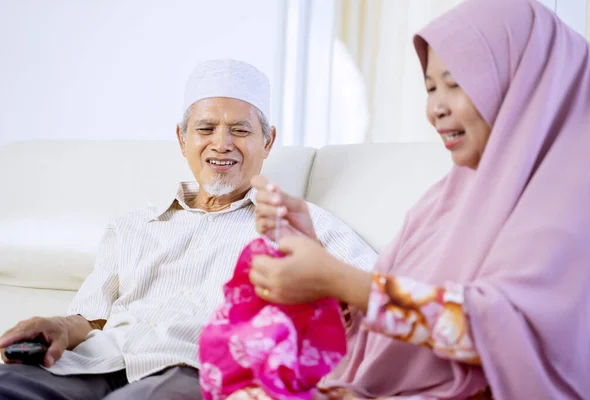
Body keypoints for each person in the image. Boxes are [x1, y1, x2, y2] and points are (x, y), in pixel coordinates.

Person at [247, 0, 590, 398]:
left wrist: (337, 277)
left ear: (524, 85)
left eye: (456, 84)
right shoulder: (450, 196)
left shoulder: (575, 203)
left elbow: (503, 335)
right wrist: (313, 258)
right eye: (431, 87)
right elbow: (383, 324)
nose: (435, 109)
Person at [0, 59, 376, 400]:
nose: (222, 143)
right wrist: (58, 326)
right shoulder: (131, 226)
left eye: (240, 130)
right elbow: (90, 316)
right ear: (183, 140)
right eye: (206, 128)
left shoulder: (296, 222)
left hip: (193, 372)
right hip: (96, 362)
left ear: (268, 141)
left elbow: (380, 294)